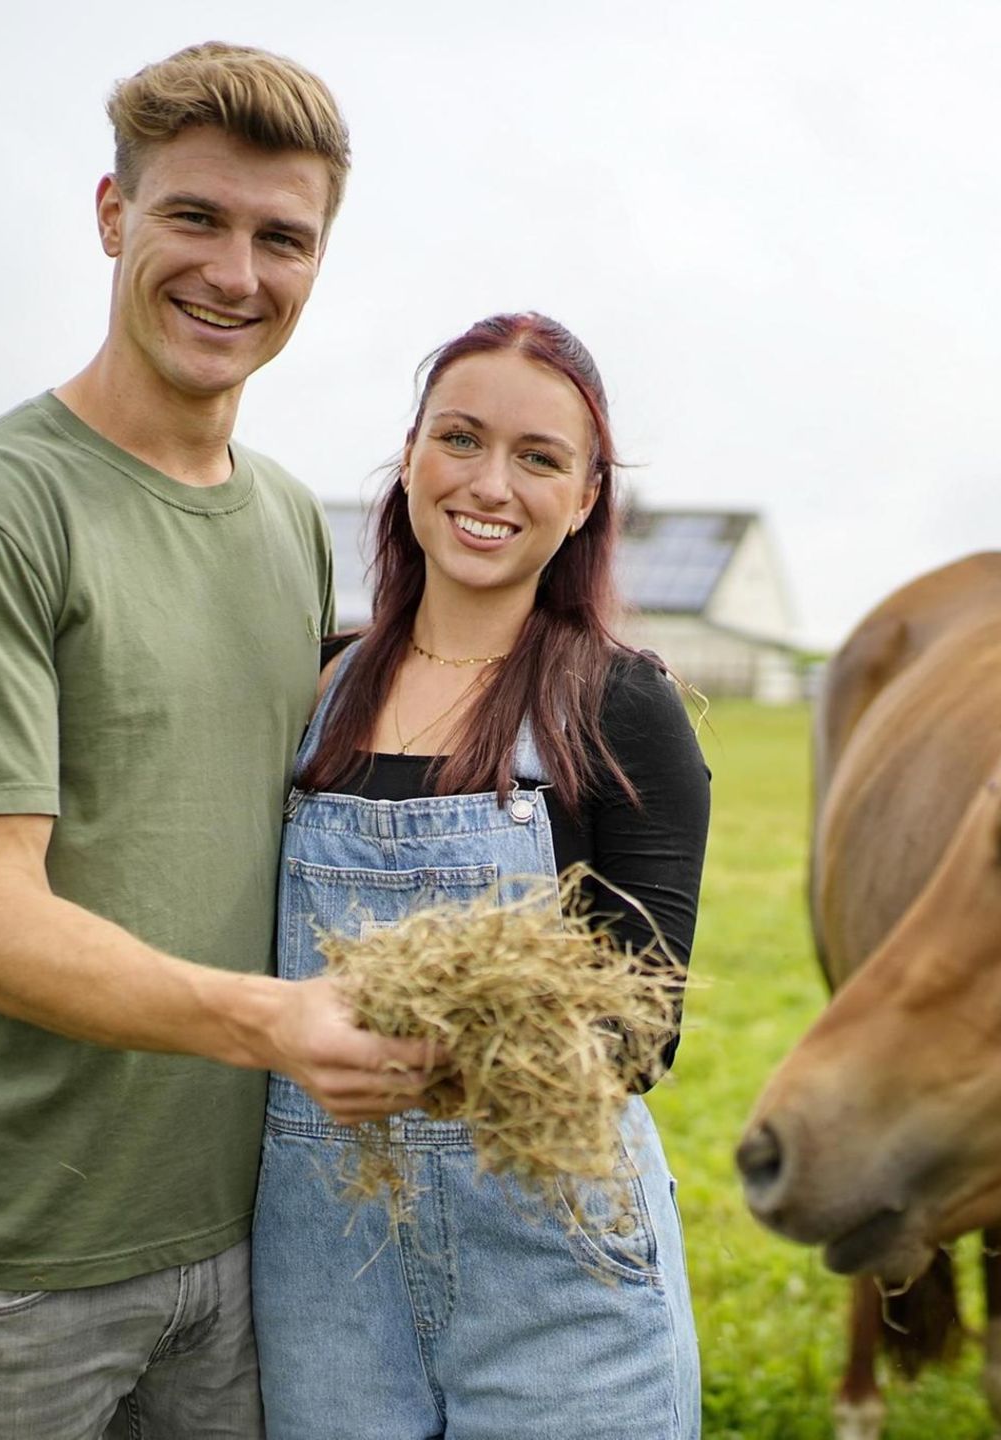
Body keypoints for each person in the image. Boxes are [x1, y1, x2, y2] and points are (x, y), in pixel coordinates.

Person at [0, 43, 439, 1440]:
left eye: (281, 237)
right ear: (113, 216)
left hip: (248, 1234)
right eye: (195, 218)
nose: (236, 273)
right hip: (17, 1251)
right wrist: (281, 1024)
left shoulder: (288, 519)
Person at [250, 312, 709, 1439]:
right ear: (411, 456)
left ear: (587, 497)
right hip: (325, 1268)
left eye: (538, 457)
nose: (489, 485)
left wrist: (434, 1051)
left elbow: (640, 1034)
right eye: (460, 438)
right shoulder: (314, 692)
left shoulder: (621, 707)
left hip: (556, 1269)